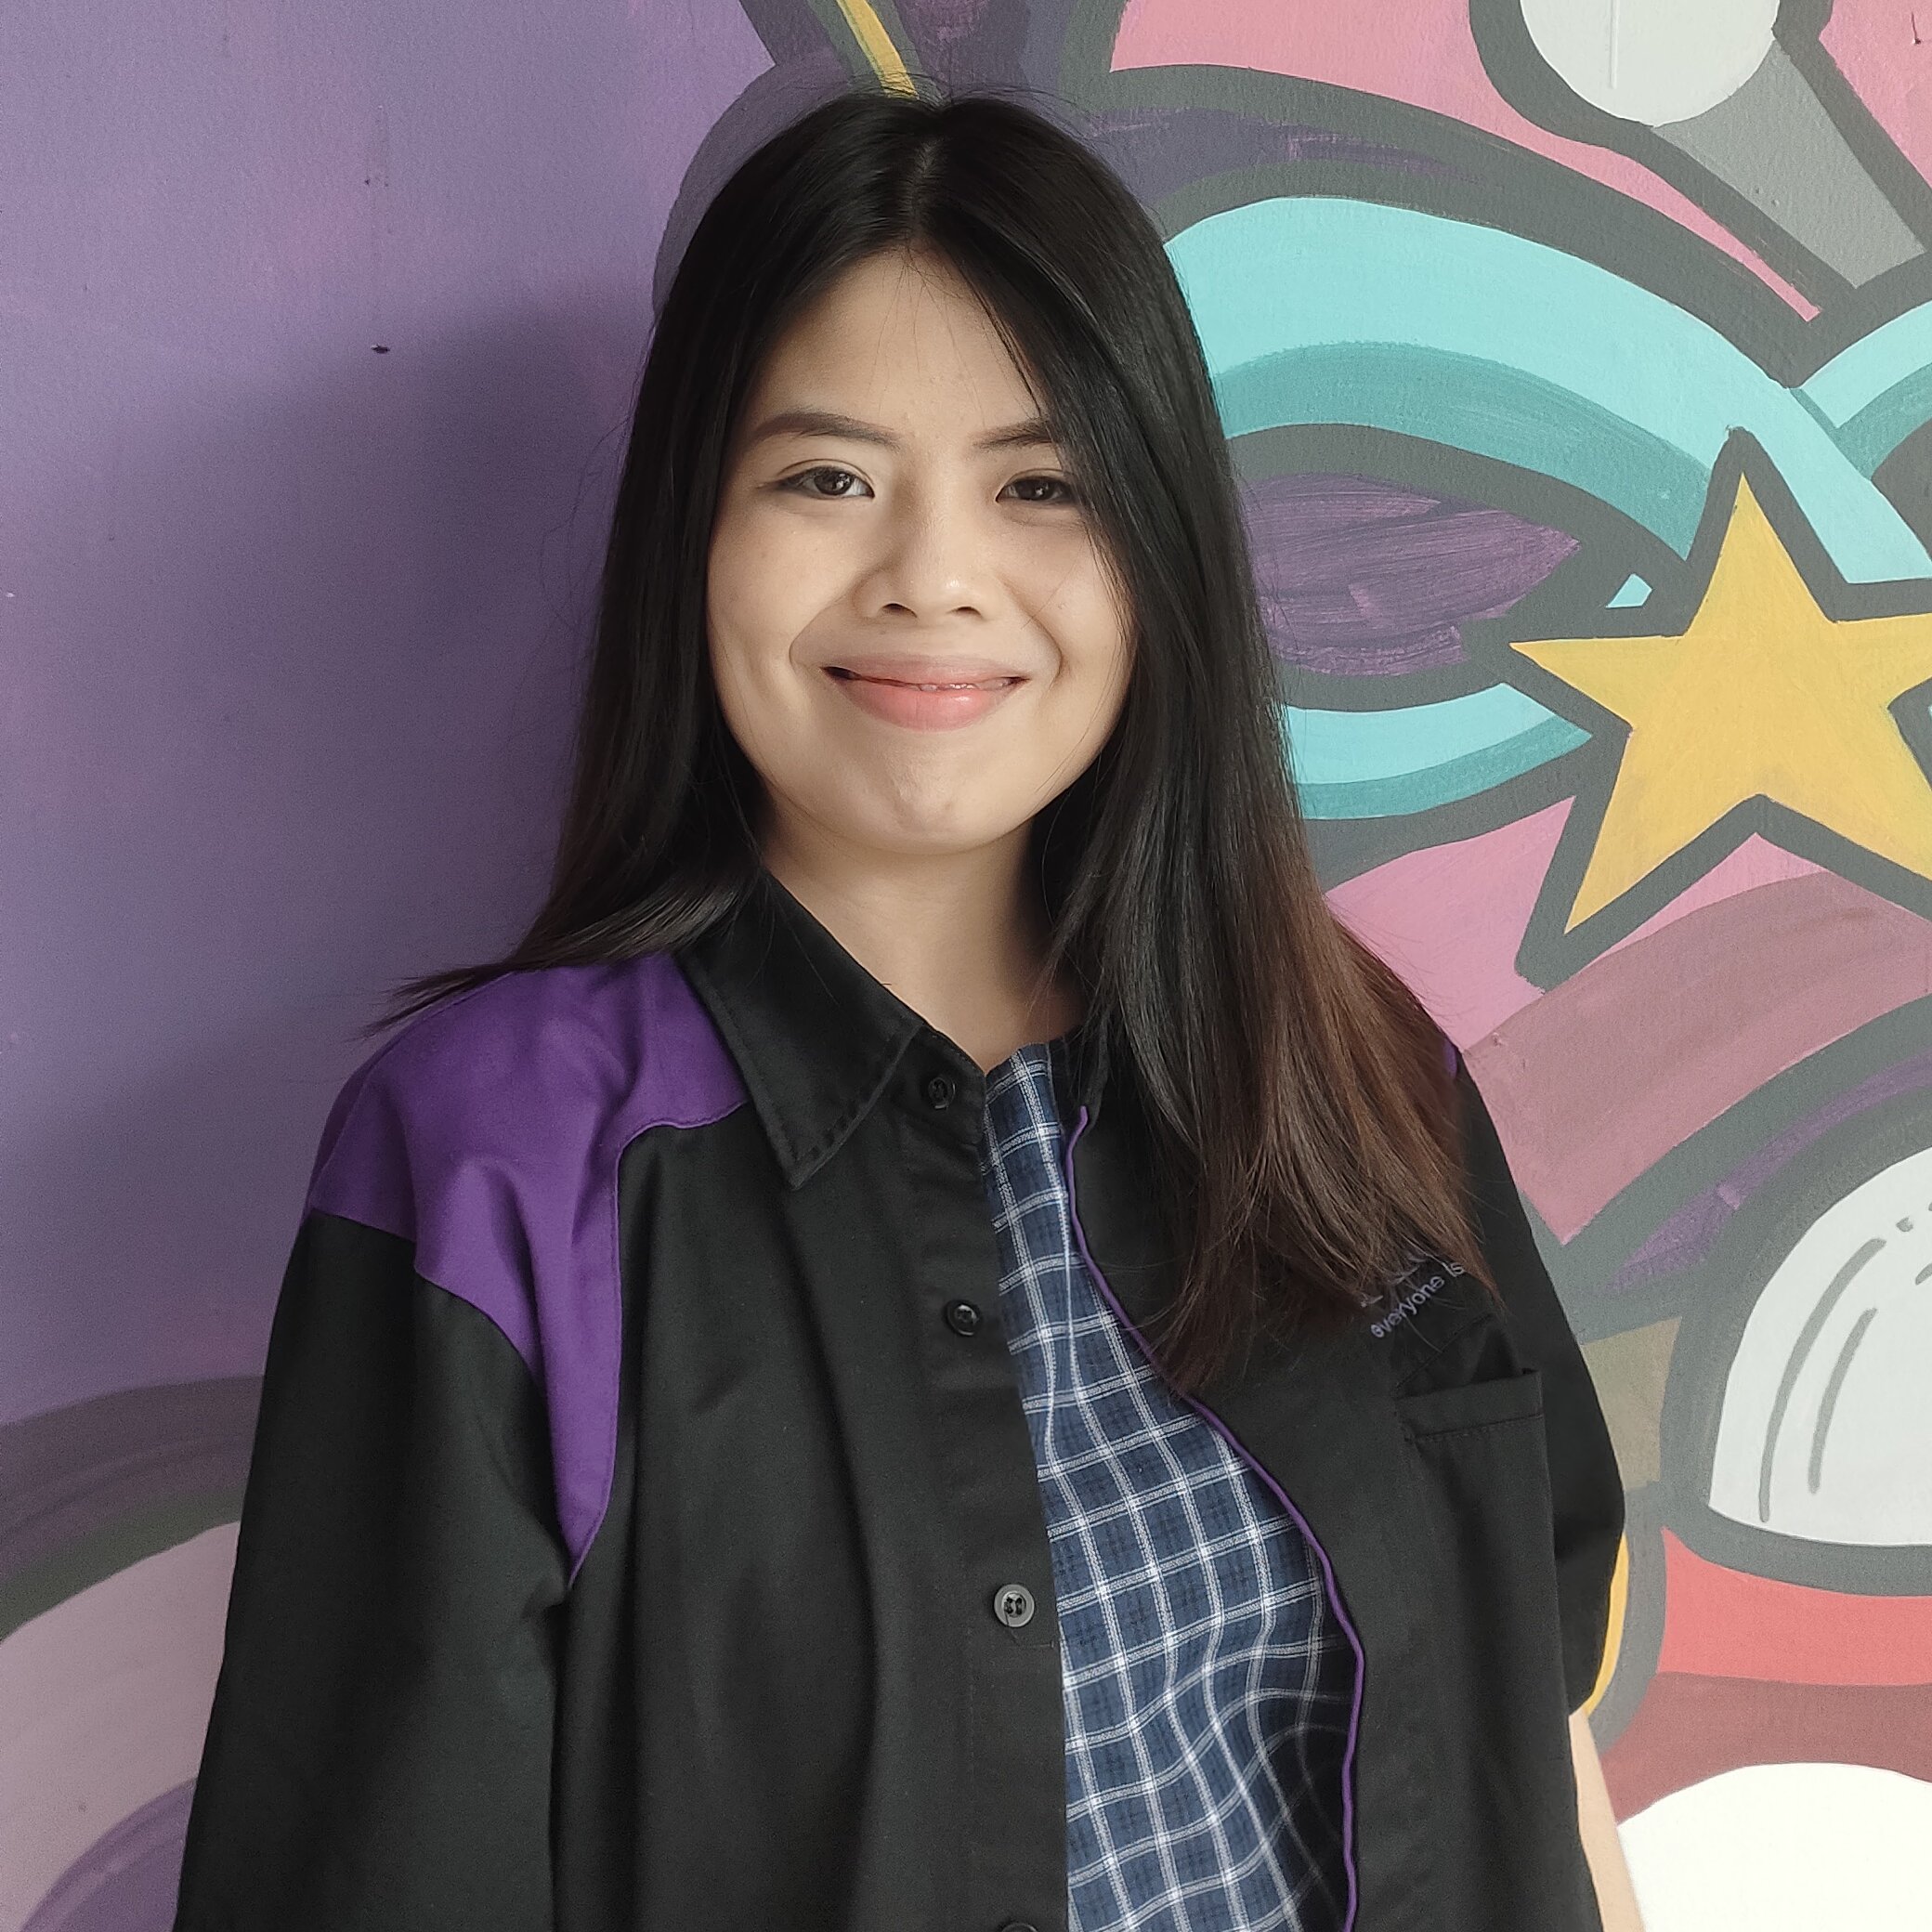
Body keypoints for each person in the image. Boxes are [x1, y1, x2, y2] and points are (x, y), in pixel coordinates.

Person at [170, 85, 1638, 1932]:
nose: (932, 576)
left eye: (1040, 485)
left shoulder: (1348, 1060)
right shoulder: (491, 1163)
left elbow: (1535, 1722)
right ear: (695, 530)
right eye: (826, 478)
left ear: (1158, 551)